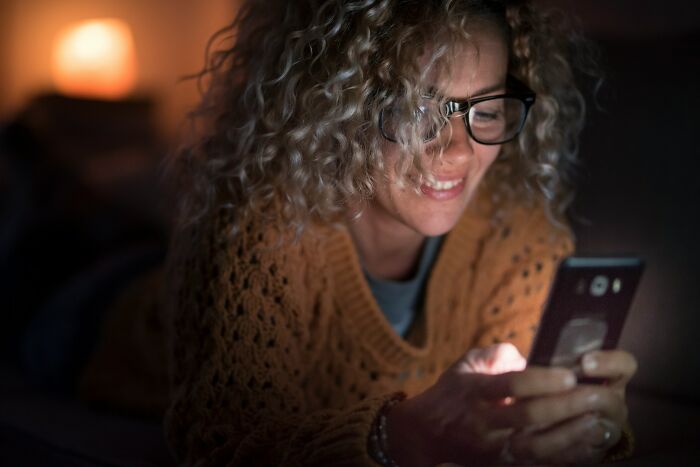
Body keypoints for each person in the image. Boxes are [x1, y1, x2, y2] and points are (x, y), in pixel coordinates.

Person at [161, 0, 638, 465]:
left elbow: (514, 430)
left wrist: (574, 432)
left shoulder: (519, 235)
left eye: (487, 109)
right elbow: (218, 442)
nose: (457, 152)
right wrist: (399, 438)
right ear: (335, 106)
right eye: (416, 110)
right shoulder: (259, 230)